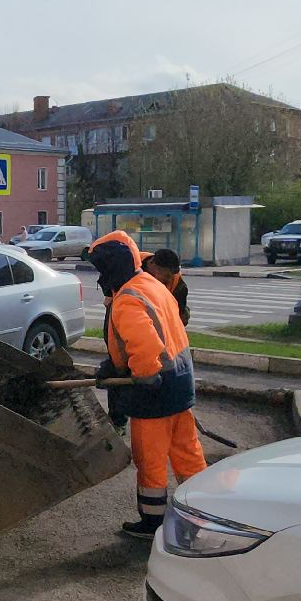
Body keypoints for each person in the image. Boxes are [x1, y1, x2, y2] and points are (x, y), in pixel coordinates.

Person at [89, 230, 205, 539]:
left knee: (150, 459)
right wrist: (114, 367)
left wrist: (139, 378)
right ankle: (206, 512)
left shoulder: (128, 299)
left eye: (102, 269)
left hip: (156, 391)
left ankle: (152, 524)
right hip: (182, 383)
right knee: (187, 452)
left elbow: (146, 349)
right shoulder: (151, 284)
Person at [142, 248, 191, 327]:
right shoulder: (131, 265)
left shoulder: (179, 287)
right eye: (167, 276)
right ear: (153, 265)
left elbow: (180, 319)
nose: (170, 279)